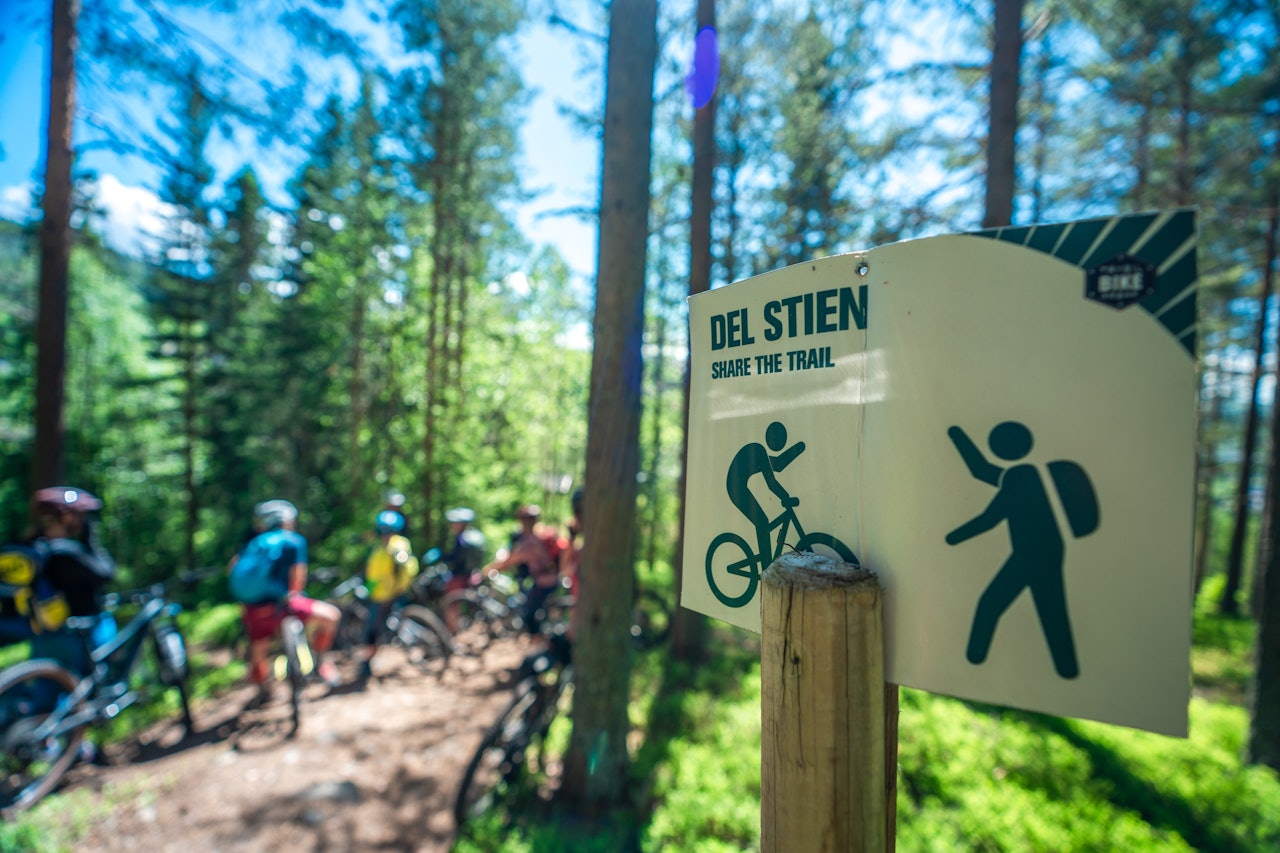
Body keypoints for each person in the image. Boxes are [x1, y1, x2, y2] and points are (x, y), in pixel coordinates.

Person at [231, 499, 342, 703]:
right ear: (287, 521)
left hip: (255, 608)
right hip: (285, 605)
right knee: (331, 616)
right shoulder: (293, 541)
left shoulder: (253, 545)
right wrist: (294, 593)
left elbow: (233, 571)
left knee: (258, 650)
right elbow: (298, 578)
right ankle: (321, 663)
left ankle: (263, 688)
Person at [24, 486, 118, 672]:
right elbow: (107, 573)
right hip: (81, 633)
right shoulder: (66, 551)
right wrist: (91, 541)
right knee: (94, 689)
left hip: (43, 635)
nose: (82, 520)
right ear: (66, 516)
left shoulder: (31, 549)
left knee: (49, 695)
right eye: (80, 515)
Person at [485, 504, 567, 640]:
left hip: (544, 581)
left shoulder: (530, 541)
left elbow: (509, 561)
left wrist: (488, 569)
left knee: (528, 614)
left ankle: (538, 643)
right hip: (552, 578)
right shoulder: (542, 534)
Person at [357, 510, 420, 681]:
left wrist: (369, 591)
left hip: (385, 596)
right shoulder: (395, 545)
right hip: (392, 592)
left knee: (371, 631)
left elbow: (399, 564)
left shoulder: (394, 547)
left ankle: (366, 664)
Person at [439, 507, 488, 634]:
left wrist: (443, 557)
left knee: (451, 604)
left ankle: (451, 631)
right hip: (472, 574)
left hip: (458, 576)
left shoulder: (461, 539)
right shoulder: (474, 536)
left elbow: (457, 559)